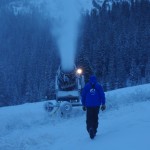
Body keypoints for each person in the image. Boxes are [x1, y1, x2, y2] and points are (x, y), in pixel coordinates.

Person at [81, 75, 106, 139]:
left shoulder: (87, 86)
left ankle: (90, 128)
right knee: (95, 118)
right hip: (96, 105)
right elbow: (102, 95)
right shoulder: (98, 85)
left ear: (89, 79)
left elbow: (83, 96)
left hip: (89, 105)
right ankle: (94, 131)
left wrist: (83, 105)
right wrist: (103, 104)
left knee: (89, 118)